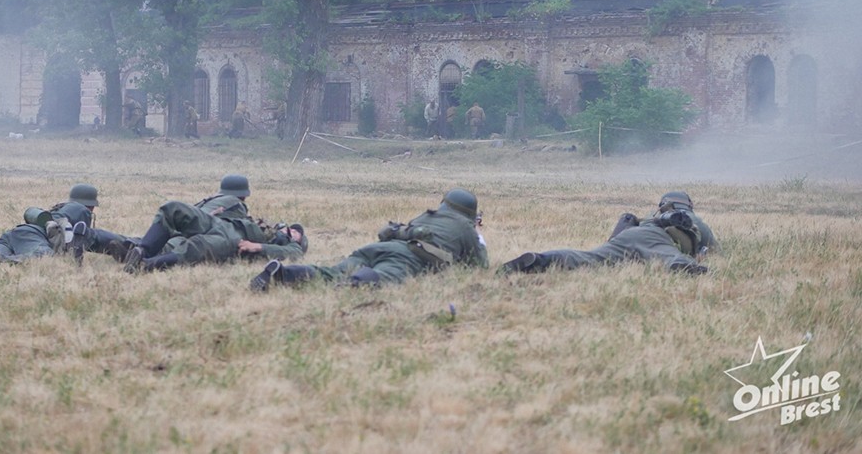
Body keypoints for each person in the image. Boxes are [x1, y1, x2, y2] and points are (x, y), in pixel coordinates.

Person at [249, 188, 488, 291]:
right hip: (407, 258)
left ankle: (283, 273)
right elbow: (479, 268)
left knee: (331, 271)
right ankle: (353, 286)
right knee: (383, 279)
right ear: (469, 214)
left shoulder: (426, 215)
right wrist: (477, 234)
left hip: (379, 247)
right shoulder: (466, 228)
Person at [499, 190, 714, 276]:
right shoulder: (692, 219)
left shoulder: (653, 214)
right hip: (657, 239)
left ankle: (541, 259)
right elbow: (713, 248)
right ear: (688, 204)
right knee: (670, 258)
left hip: (627, 238)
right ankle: (684, 267)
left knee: (588, 258)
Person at [123, 174, 307, 273]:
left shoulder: (285, 242)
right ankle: (141, 251)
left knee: (196, 247)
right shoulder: (267, 222)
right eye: (293, 227)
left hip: (234, 238)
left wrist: (258, 246)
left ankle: (146, 265)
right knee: (173, 209)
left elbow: (295, 253)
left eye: (297, 232)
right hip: (219, 222)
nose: (293, 229)